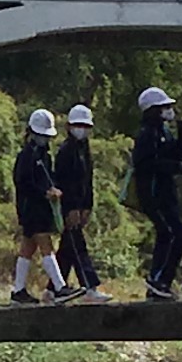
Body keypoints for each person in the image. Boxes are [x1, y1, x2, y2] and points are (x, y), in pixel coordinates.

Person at [126, 88, 182, 300]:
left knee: (168, 234)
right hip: (153, 193)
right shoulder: (147, 133)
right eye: (164, 107)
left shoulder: (163, 131)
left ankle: (160, 281)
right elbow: (144, 164)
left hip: (166, 193)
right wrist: (169, 167)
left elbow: (176, 155)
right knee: (174, 233)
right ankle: (159, 280)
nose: (169, 111)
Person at [8, 110, 66, 304]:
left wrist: (53, 189)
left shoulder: (45, 155)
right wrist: (44, 193)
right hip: (30, 208)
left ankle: (18, 290)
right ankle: (60, 287)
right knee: (45, 244)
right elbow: (22, 182)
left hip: (42, 208)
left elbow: (49, 177)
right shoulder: (26, 155)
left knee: (27, 248)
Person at [55, 102, 110, 301]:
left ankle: (53, 288)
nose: (82, 130)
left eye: (86, 127)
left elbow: (87, 180)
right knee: (77, 245)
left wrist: (87, 206)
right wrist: (70, 208)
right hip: (69, 206)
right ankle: (89, 286)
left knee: (67, 248)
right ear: (69, 126)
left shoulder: (84, 149)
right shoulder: (65, 151)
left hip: (81, 206)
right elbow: (64, 182)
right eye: (79, 125)